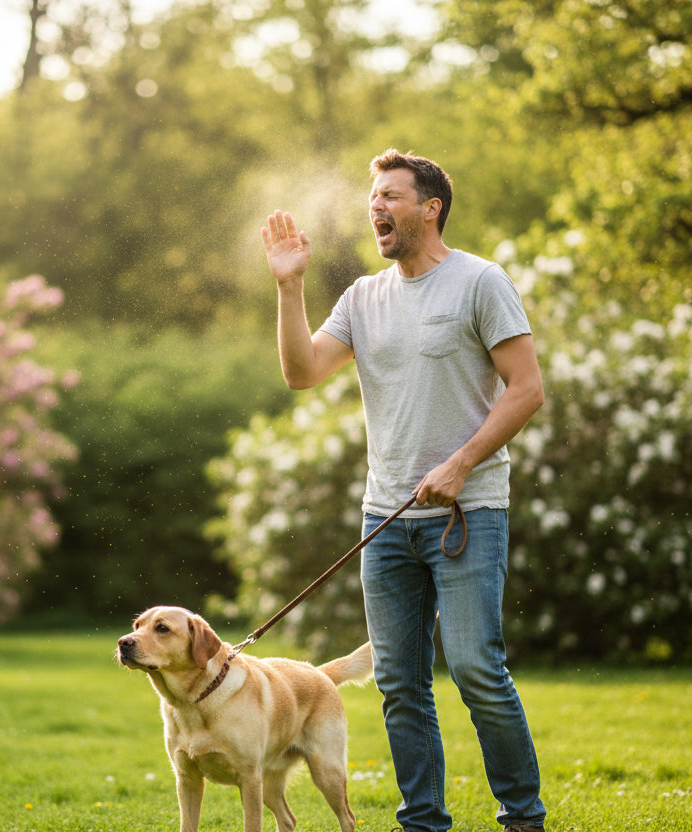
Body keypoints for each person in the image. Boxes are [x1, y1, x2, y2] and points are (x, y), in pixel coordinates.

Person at [260, 148, 547, 832]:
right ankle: (422, 822)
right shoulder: (363, 297)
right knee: (399, 684)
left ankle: (522, 818)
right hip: (385, 519)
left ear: (430, 208)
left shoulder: (480, 282)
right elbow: (302, 373)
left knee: (476, 669)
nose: (377, 207)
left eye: (391, 196)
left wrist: (461, 464)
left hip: (468, 512)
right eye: (373, 198)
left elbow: (527, 389)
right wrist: (290, 288)